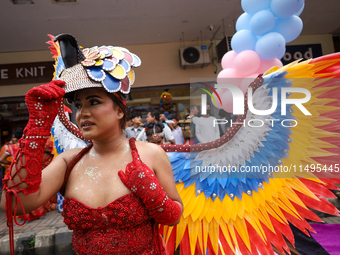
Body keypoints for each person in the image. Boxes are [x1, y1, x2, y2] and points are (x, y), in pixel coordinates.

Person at [1, 33, 183, 255]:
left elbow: (175, 217)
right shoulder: (69, 161)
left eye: (94, 102)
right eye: (78, 105)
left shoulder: (151, 154)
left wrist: (152, 193)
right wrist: (37, 128)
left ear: (119, 110)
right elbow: (14, 205)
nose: (83, 113)